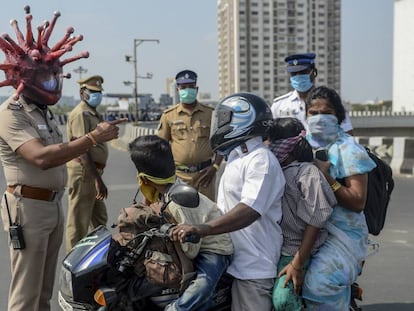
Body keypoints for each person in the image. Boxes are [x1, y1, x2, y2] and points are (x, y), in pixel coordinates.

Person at [0, 8, 126, 311]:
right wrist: (93, 138)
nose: (55, 80)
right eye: (47, 75)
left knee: (44, 291)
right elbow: (40, 158)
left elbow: (63, 150)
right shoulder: (11, 113)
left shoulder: (44, 113)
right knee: (26, 293)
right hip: (27, 209)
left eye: (56, 73)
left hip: (52, 205)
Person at [170, 93, 286, 311]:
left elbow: (249, 210)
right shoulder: (236, 157)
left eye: (223, 118)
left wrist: (204, 229)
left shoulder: (261, 160)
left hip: (253, 267)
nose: (218, 124)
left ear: (243, 118)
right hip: (230, 261)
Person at [128, 135, 233, 311]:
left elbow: (191, 249)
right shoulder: (166, 190)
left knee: (202, 286)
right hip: (193, 243)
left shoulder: (178, 201)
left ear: (144, 179)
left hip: (215, 248)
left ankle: (178, 308)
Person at [301, 86, 376, 310]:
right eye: (313, 113)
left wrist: (327, 178)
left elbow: (357, 201)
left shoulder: (349, 150)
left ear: (339, 117)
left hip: (342, 236)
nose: (319, 118)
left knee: (318, 286)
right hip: (303, 229)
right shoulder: (301, 145)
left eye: (327, 112)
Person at [268, 117, 336, 310]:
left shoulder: (307, 172)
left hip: (297, 250)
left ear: (287, 145)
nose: (270, 147)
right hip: (276, 248)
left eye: (274, 143)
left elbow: (316, 221)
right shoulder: (276, 170)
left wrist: (297, 264)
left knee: (283, 301)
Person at [157, 70, 222, 201]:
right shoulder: (168, 115)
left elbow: (220, 143)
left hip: (205, 175)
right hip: (179, 176)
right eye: (183, 87)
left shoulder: (210, 114)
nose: (187, 90)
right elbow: (160, 147)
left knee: (206, 216)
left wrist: (215, 167)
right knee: (180, 214)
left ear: (196, 89)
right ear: (178, 89)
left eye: (191, 87)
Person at [65, 75, 110, 252]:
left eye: (99, 92)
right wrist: (97, 180)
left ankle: (97, 258)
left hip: (92, 173)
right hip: (85, 173)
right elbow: (81, 150)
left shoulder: (92, 113)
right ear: (82, 93)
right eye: (93, 92)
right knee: (78, 223)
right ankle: (72, 264)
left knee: (100, 219)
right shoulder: (80, 114)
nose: (96, 95)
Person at [271, 53, 353, 134]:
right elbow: (269, 136)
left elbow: (347, 132)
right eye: (294, 73)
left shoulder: (331, 100)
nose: (298, 76)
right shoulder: (279, 105)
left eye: (303, 72)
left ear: (314, 72)